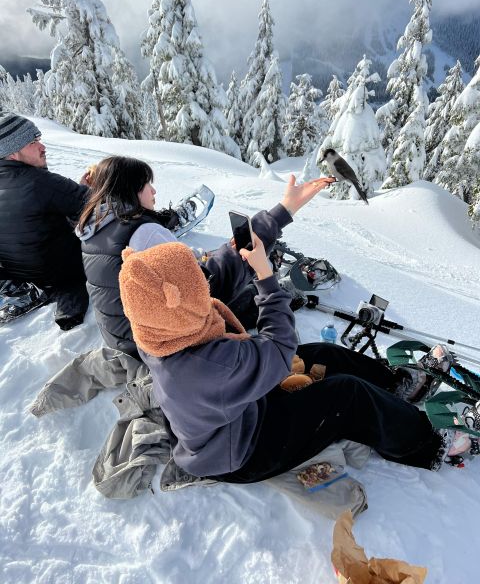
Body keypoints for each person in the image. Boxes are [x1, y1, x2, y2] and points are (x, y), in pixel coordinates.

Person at [119, 228, 475, 483]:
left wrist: (262, 231)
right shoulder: (209, 362)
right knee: (346, 396)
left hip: (229, 413)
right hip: (245, 450)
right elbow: (278, 347)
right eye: (196, 275)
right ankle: (429, 446)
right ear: (180, 299)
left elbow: (259, 350)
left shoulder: (155, 331)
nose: (202, 273)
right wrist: (265, 278)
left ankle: (398, 387)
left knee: (320, 354)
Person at [77, 154, 330, 358]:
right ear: (129, 191)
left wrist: (201, 256)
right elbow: (206, 287)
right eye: (146, 185)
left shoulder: (95, 226)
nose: (154, 191)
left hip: (119, 335)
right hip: (154, 345)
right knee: (245, 291)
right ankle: (282, 295)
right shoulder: (146, 233)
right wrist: (281, 212)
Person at [0, 112, 90, 330]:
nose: (42, 147)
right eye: (33, 142)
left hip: (20, 274)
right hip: (63, 273)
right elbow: (99, 204)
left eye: (39, 139)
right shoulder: (42, 182)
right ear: (12, 153)